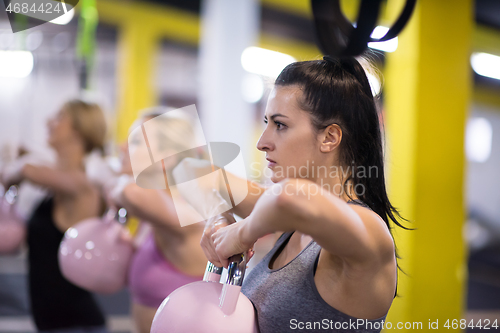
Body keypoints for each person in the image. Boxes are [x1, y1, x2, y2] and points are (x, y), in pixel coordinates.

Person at [199, 57, 407, 333]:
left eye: (280, 125)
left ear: (329, 137)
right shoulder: (291, 221)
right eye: (266, 123)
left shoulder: (368, 230)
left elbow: (289, 198)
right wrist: (218, 223)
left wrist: (240, 235)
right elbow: (202, 176)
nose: (262, 142)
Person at [1, 100, 108, 333]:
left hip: (76, 324)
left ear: (79, 131)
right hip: (54, 324)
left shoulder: (83, 186)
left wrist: (16, 168)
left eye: (59, 117)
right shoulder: (57, 184)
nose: (49, 121)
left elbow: (27, 170)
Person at [100, 108, 208, 333]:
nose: (121, 146)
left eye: (136, 141)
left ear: (166, 159)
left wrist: (118, 190)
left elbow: (131, 193)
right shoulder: (151, 214)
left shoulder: (186, 211)